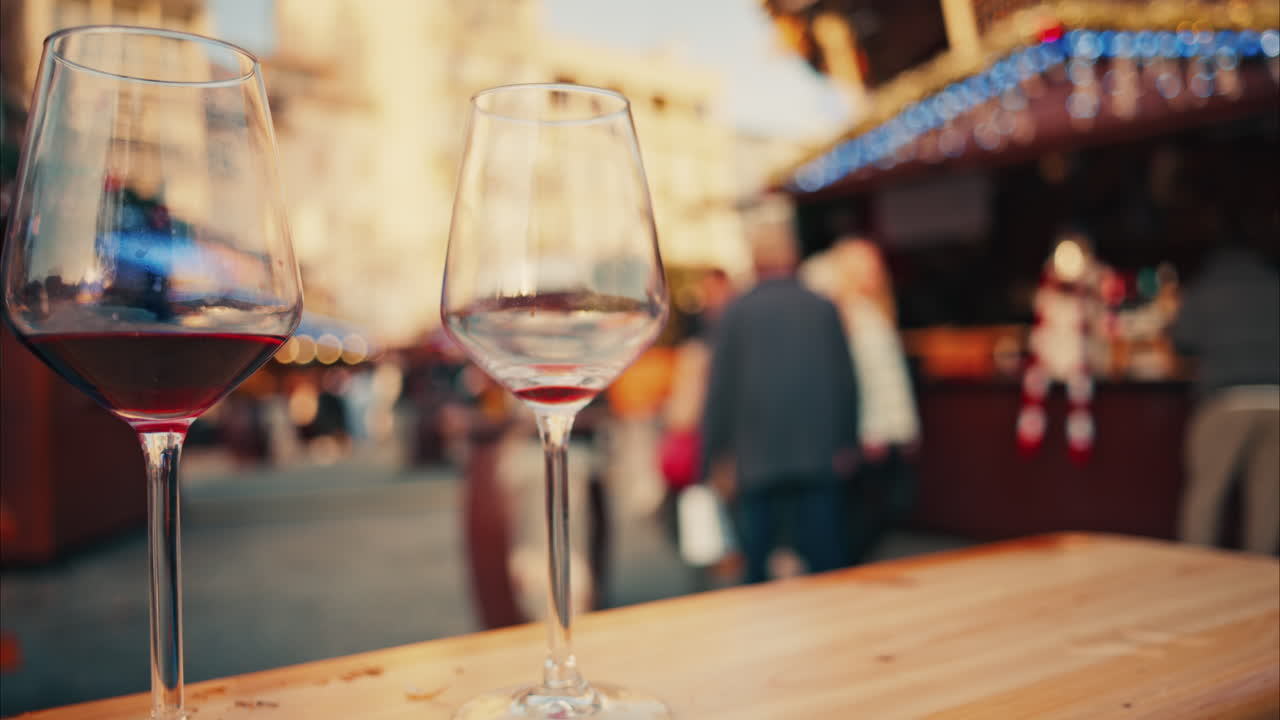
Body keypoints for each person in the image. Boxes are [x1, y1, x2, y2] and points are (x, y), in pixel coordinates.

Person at [700, 222, 860, 584]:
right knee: (826, 558)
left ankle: (762, 632)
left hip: (756, 456)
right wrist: (847, 440)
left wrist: (712, 454)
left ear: (755, 259)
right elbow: (846, 380)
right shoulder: (822, 307)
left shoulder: (736, 312)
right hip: (817, 452)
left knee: (756, 562)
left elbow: (720, 388)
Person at [805, 237, 921, 563]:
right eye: (866, 265)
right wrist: (866, 430)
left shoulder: (874, 310)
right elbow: (851, 381)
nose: (875, 272)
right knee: (862, 518)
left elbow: (890, 379)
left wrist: (906, 427)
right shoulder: (840, 313)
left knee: (887, 510)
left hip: (888, 430)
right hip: (867, 433)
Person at [1171, 243, 1280, 555]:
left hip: (1226, 399)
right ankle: (1261, 590)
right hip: (1277, 400)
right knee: (1268, 508)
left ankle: (1193, 579)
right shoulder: (1275, 286)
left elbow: (1182, 341)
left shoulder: (1206, 288)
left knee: (1207, 499)